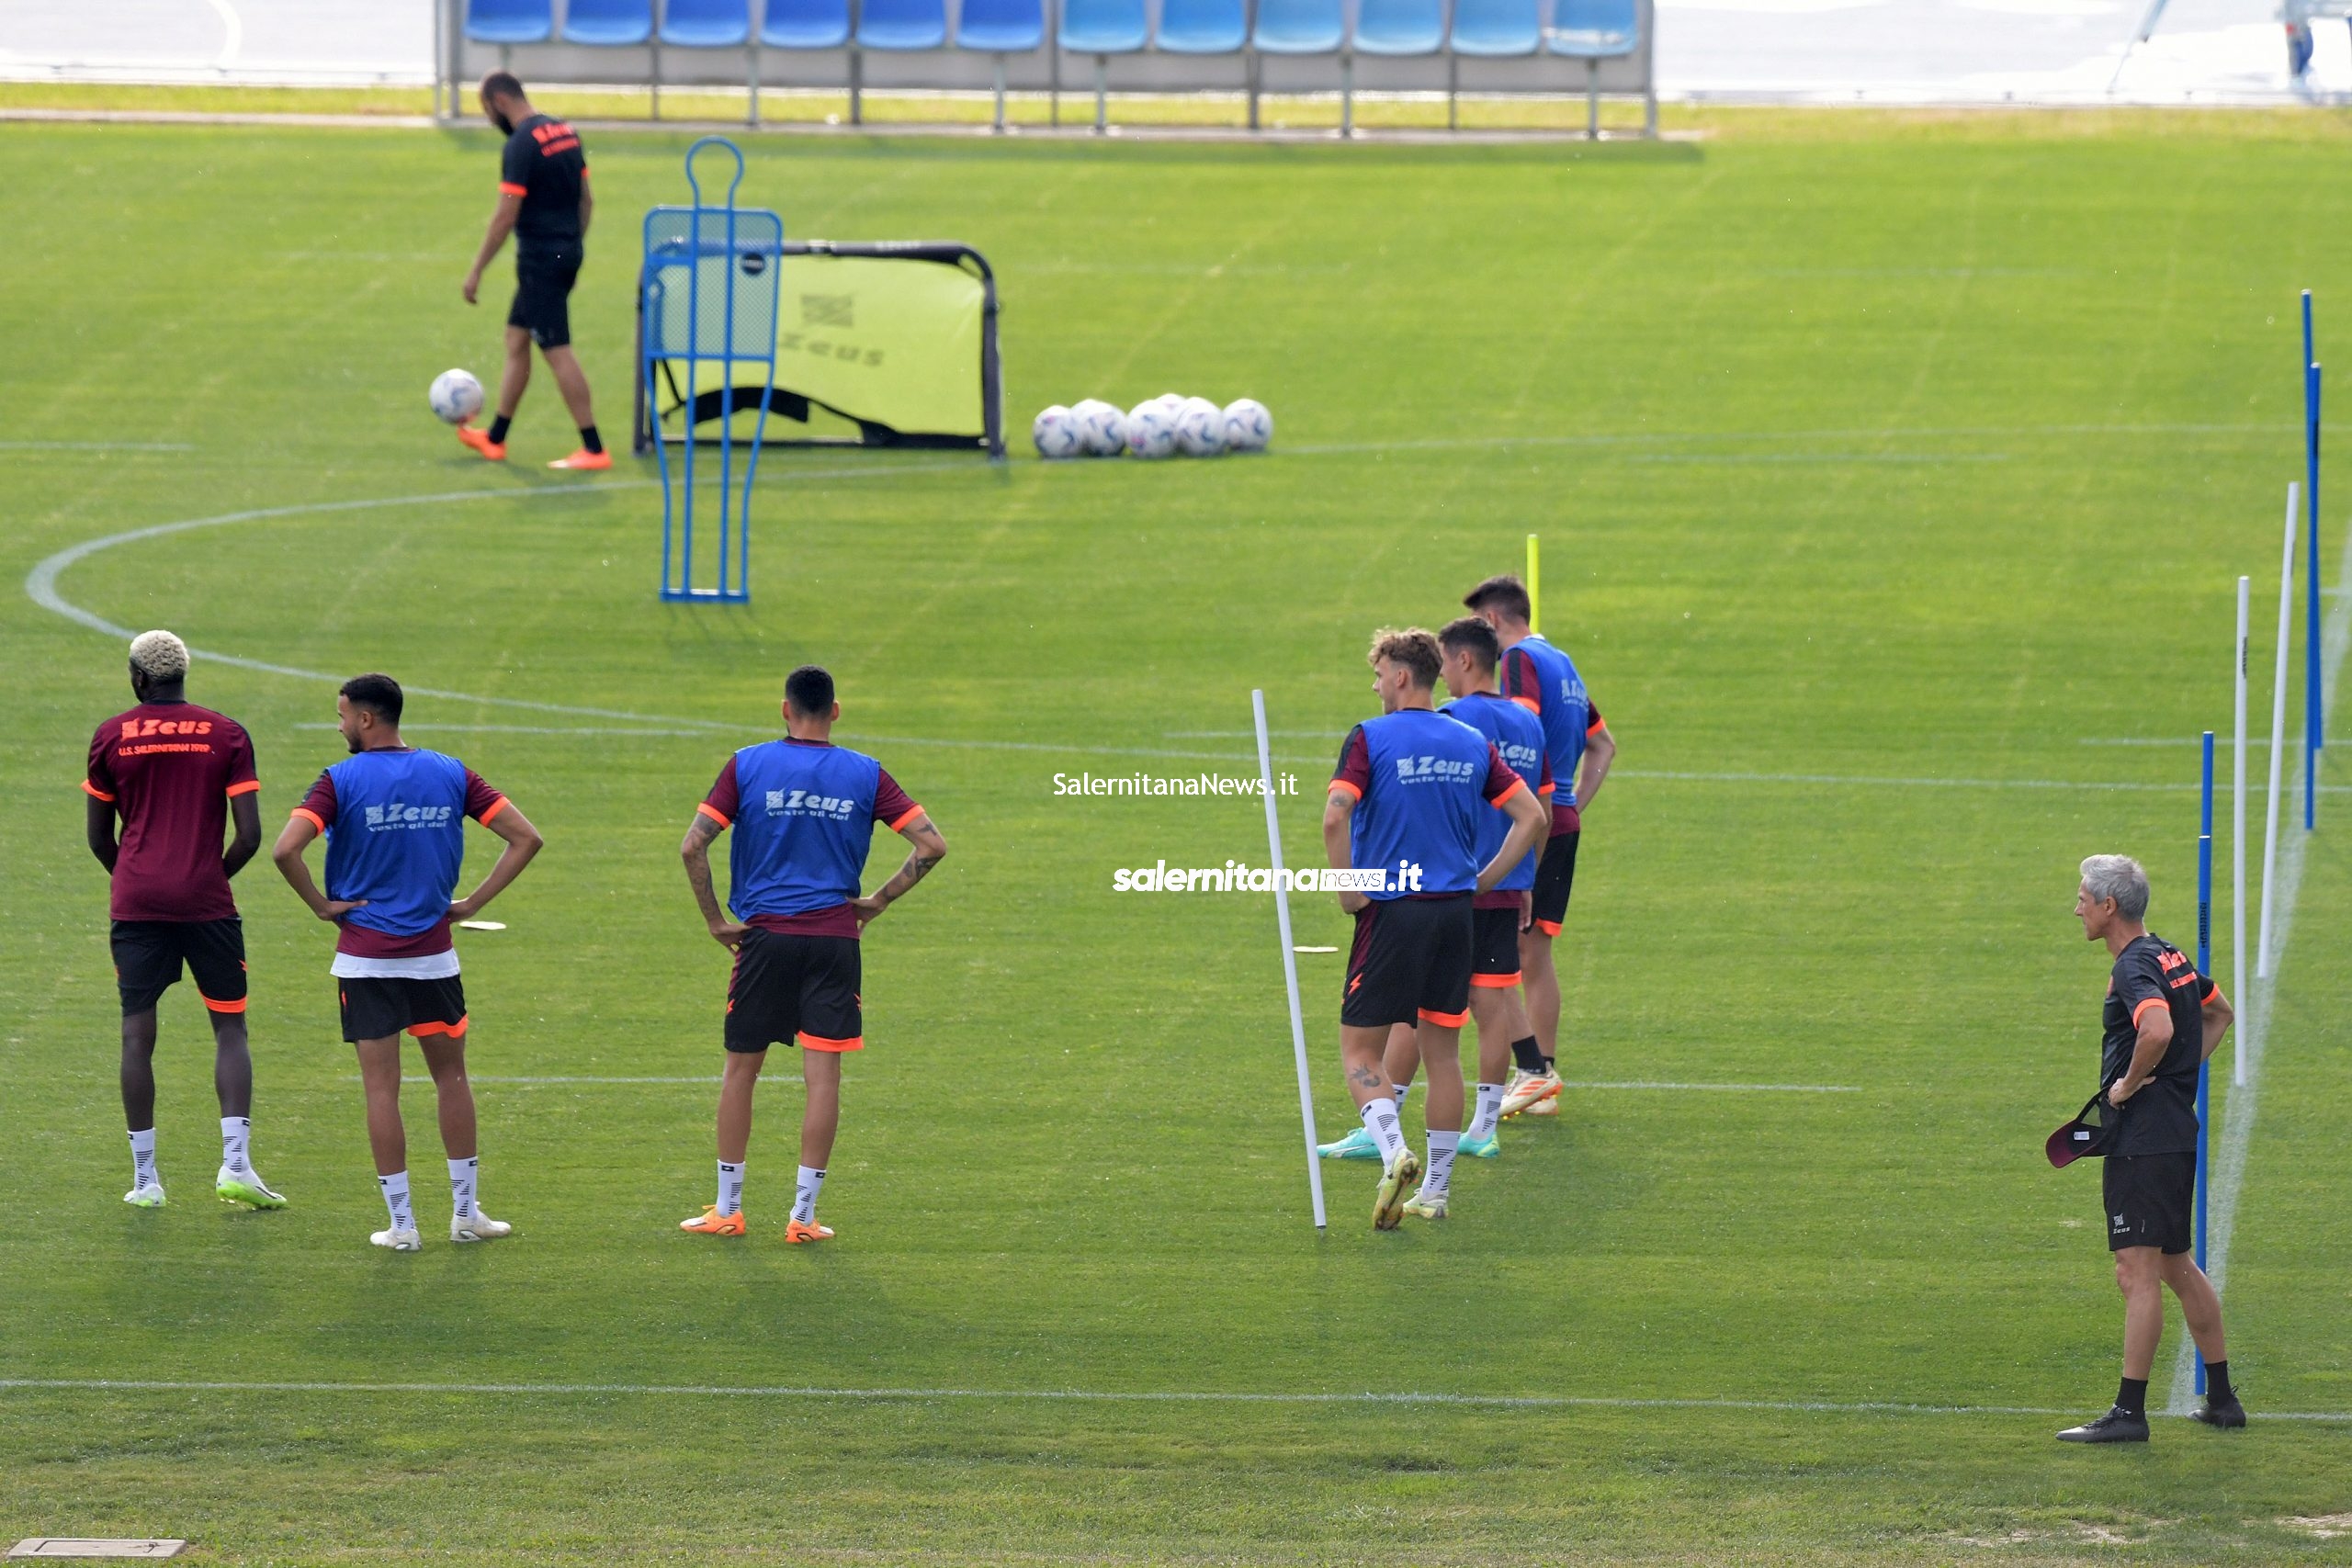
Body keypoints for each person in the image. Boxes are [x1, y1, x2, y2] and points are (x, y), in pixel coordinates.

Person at [271, 674, 543, 1251]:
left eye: (343, 715)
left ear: (367, 719)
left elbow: (285, 849)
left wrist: (322, 906)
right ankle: (466, 1215)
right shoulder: (451, 772)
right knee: (452, 1078)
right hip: (433, 960)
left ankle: (401, 1226)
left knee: (381, 1091)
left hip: (364, 963)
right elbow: (525, 838)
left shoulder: (337, 781)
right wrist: (470, 903)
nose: (339, 724)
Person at [678, 664, 947, 1244]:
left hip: (765, 940)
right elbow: (931, 844)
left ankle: (728, 1209)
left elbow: (694, 844)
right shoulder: (867, 773)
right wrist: (876, 900)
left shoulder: (747, 765)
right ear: (836, 711)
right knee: (823, 1077)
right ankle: (802, 1217)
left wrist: (715, 922)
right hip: (834, 941)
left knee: (740, 1071)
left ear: (784, 709)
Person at [1324, 628, 1548, 1228]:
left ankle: (1394, 1150)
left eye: (1378, 676)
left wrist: (1349, 888)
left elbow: (1333, 818)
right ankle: (1438, 1192)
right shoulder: (1471, 740)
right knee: (1443, 1053)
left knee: (1359, 1048)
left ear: (1401, 676)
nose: (1375, 687)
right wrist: (1486, 876)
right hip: (1456, 913)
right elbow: (1531, 815)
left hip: (1394, 911)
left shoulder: (1369, 738)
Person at [84, 630, 282, 1211]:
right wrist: (208, 875)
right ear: (182, 675)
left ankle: (146, 1180)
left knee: (137, 1032)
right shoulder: (225, 733)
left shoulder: (111, 735)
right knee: (229, 1027)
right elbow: (249, 835)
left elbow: (99, 836)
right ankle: (236, 1166)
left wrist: (134, 877)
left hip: (137, 902)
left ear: (138, 677)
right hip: (207, 902)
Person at [2057, 854, 2245, 1442]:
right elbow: (2219, 1012)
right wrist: (2178, 1077)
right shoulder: (2172, 954)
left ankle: (2129, 1414)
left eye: (2084, 897)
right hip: (2171, 1133)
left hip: (2142, 1139)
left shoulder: (2136, 966)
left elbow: (2157, 1029)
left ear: (2109, 906)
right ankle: (2221, 1400)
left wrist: (2131, 1084)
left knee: (2134, 1272)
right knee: (2174, 1265)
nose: (2078, 906)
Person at [1462, 574, 1615, 1119]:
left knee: (1513, 949)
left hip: (1533, 820)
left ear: (1493, 622)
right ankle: (1537, 1072)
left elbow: (1518, 724)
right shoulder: (1564, 663)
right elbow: (1604, 743)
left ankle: (1535, 1071)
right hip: (1557, 815)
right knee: (1532, 948)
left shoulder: (1519, 662)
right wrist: (1572, 804)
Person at [457, 71, 608, 472]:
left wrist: (476, 270)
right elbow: (587, 200)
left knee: (556, 349)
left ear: (498, 101)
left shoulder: (521, 145)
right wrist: (572, 244)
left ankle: (594, 448)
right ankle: (495, 438)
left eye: (487, 110)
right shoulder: (565, 131)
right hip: (565, 250)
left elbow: (506, 215)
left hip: (541, 260)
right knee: (516, 338)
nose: (490, 119)